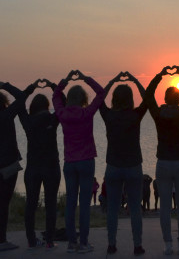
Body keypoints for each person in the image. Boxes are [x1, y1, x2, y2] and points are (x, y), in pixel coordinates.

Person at [145, 65, 179, 255]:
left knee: (165, 207)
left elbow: (148, 95)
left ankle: (168, 244)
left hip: (164, 164)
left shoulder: (158, 114)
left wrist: (160, 75)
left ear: (165, 99)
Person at [53, 70, 105, 254]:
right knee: (84, 204)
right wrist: (86, 78)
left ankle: (71, 244)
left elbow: (55, 97)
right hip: (86, 162)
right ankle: (83, 243)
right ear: (83, 98)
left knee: (70, 203)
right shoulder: (87, 113)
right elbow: (101, 93)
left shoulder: (62, 113)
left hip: (70, 163)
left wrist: (64, 81)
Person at [100, 71, 147, 256]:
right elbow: (148, 98)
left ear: (114, 99)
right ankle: (137, 246)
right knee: (135, 208)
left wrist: (112, 81)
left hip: (113, 166)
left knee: (113, 208)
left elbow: (99, 98)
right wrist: (135, 80)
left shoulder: (108, 116)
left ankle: (111, 245)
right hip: (134, 166)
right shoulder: (136, 115)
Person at [18, 79, 62, 250]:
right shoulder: (53, 119)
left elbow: (19, 103)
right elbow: (62, 103)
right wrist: (54, 87)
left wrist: (31, 88)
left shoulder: (28, 122)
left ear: (33, 107)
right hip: (51, 166)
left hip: (33, 168)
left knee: (31, 203)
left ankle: (31, 240)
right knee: (51, 204)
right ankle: (49, 241)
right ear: (46, 106)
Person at [0, 81, 24, 252]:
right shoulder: (7, 115)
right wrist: (5, 85)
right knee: (3, 203)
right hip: (7, 166)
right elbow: (22, 97)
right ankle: (2, 240)